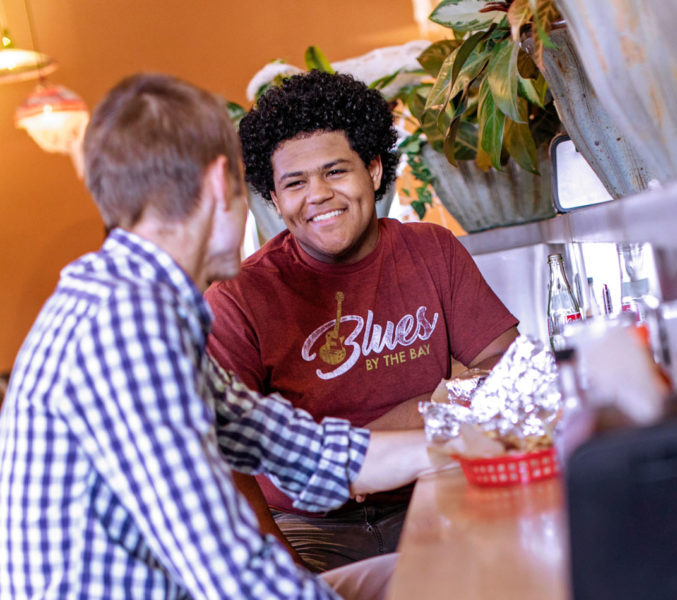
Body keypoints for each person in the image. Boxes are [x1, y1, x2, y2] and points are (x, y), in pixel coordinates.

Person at [0, 72, 436, 600]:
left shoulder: (144, 306)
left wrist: (455, 445)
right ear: (216, 185)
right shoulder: (126, 327)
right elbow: (229, 571)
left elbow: (305, 451)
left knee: (424, 577)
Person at [205, 70, 520, 572]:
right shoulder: (238, 298)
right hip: (309, 530)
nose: (318, 196)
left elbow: (510, 370)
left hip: (433, 492)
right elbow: (226, 470)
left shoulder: (432, 250)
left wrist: (380, 434)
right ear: (274, 198)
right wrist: (288, 577)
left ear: (373, 170)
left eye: (335, 172)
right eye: (294, 182)